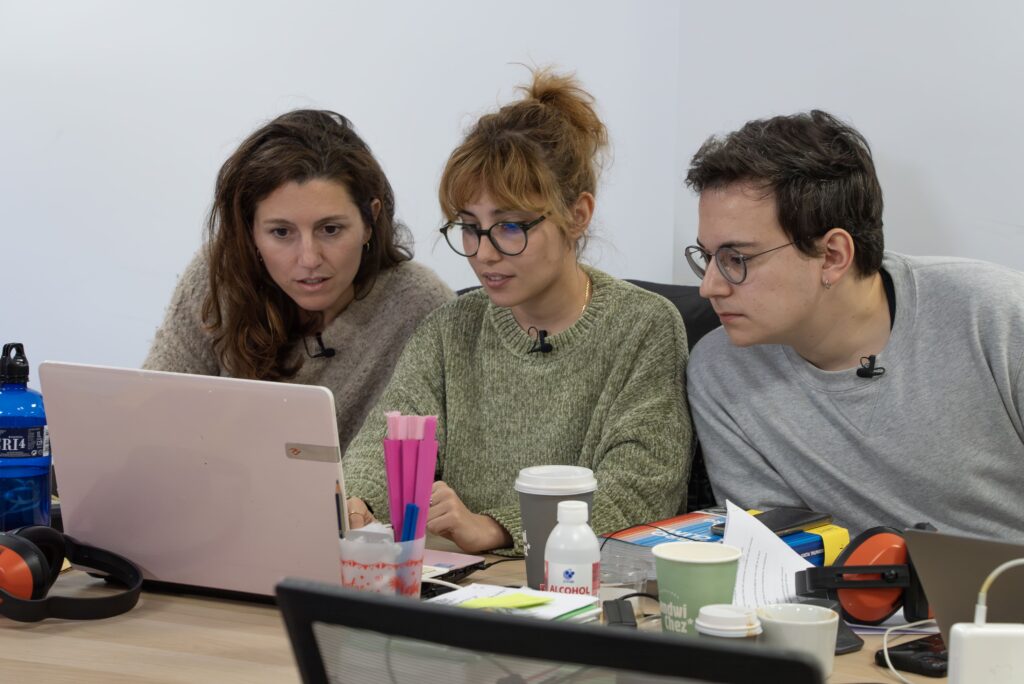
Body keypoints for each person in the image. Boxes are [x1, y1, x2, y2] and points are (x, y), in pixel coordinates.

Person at [343, 69, 692, 553]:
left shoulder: (644, 327)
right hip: (465, 581)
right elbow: (388, 441)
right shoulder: (450, 328)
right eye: (470, 227)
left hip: (576, 582)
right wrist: (356, 500)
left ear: (578, 215)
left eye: (510, 227)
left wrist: (497, 527)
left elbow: (641, 495)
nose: (483, 253)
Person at [684, 110, 1024, 541]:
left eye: (737, 259)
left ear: (833, 256)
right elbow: (776, 553)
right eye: (707, 257)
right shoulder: (720, 370)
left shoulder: (997, 316)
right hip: (841, 585)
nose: (710, 286)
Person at [144, 110, 453, 452]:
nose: (309, 259)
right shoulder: (217, 275)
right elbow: (153, 415)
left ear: (370, 220)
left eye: (330, 229)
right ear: (250, 231)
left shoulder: (421, 307)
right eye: (281, 232)